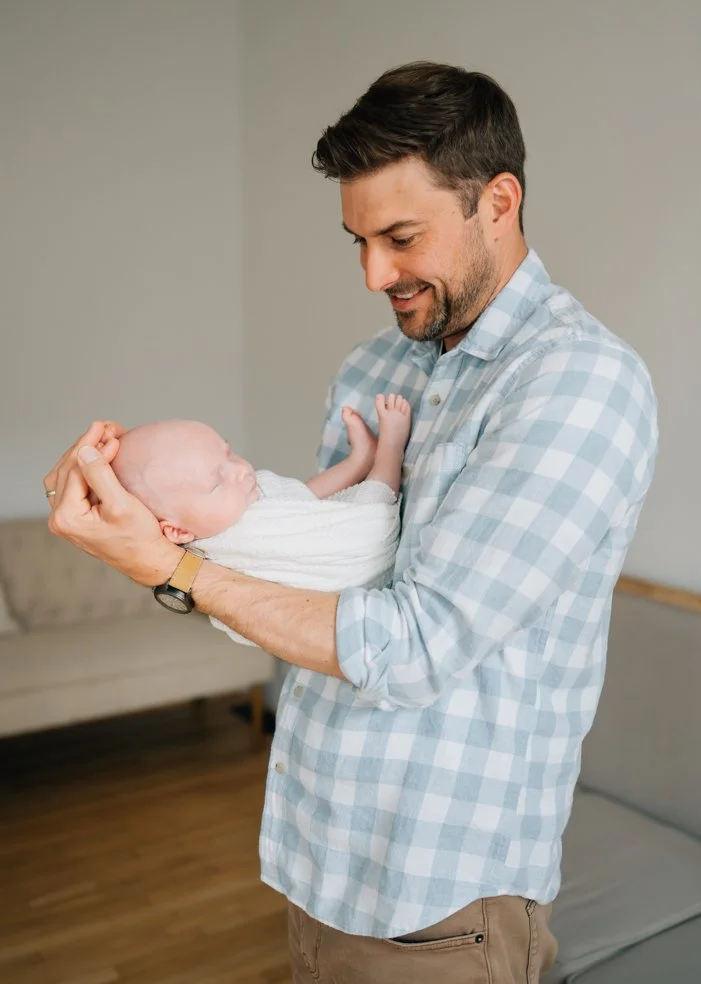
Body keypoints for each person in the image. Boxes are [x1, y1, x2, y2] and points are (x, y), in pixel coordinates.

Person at [44, 61, 658, 983]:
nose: (375, 274)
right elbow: (304, 569)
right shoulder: (377, 367)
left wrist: (174, 573)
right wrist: (157, 522)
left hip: (441, 892)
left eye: (401, 237)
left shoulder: (576, 384)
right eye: (358, 242)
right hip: (318, 844)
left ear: (498, 200)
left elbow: (414, 646)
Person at [109, 403, 409, 646]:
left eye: (228, 453)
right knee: (373, 508)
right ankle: (390, 450)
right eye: (216, 482)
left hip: (339, 561)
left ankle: (360, 460)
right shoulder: (228, 546)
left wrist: (356, 464)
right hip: (353, 571)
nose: (239, 470)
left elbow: (302, 499)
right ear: (177, 531)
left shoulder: (232, 505)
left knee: (297, 496)